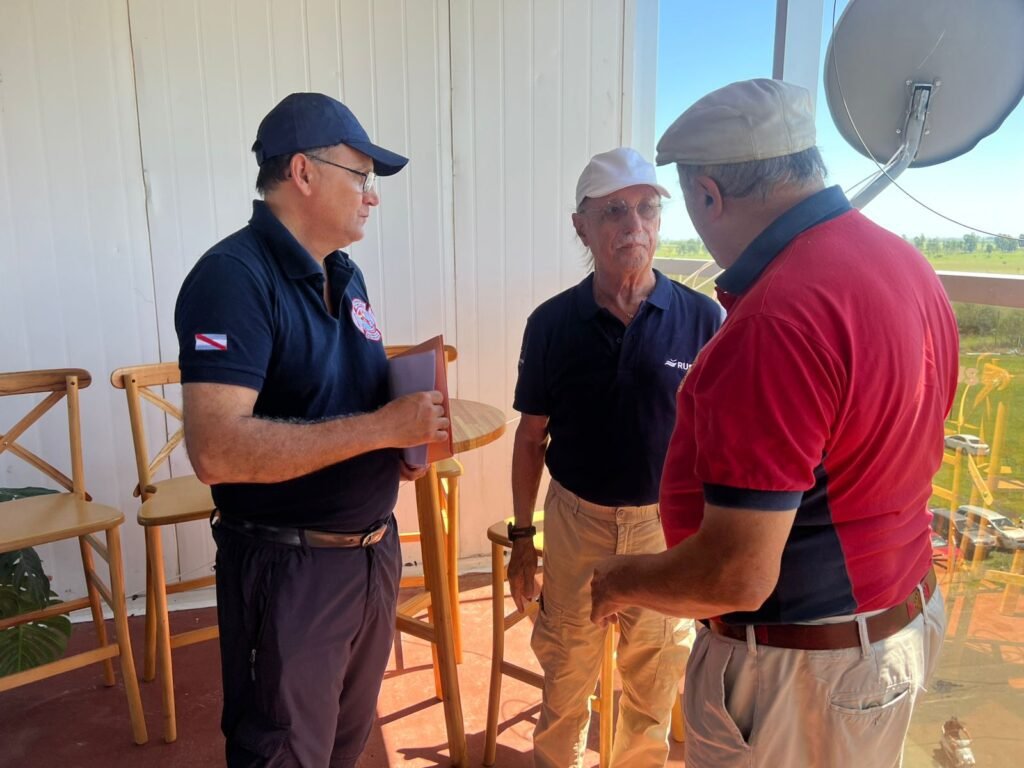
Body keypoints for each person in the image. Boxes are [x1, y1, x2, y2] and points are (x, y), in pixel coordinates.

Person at [589, 79, 959, 767]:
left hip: (806, 674)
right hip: (897, 624)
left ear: (708, 196)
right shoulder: (908, 265)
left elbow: (736, 574)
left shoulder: (775, 320)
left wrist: (620, 580)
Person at [175, 92, 449, 767]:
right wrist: (381, 426)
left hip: (368, 556)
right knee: (284, 753)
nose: (371, 197)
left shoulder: (343, 274)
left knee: (342, 747)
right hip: (288, 569)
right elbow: (217, 449)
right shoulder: (232, 278)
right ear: (303, 172)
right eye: (360, 177)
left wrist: (402, 443)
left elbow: (339, 399)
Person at [508, 147, 723, 767]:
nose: (634, 225)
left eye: (648, 209)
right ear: (582, 227)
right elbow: (530, 439)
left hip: (664, 528)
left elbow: (719, 440)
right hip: (576, 523)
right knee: (565, 672)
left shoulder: (702, 319)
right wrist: (525, 536)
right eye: (613, 212)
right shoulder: (551, 324)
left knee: (653, 681)